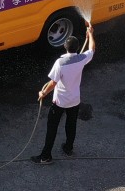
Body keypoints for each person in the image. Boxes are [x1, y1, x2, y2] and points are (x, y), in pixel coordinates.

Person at [31, 23, 95, 164]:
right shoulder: (82, 58)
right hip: (74, 100)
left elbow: (53, 83)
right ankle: (68, 148)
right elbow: (92, 49)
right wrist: (90, 34)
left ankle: (46, 156)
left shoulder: (60, 63)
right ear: (77, 48)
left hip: (60, 101)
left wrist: (43, 93)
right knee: (71, 125)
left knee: (52, 128)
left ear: (65, 47)